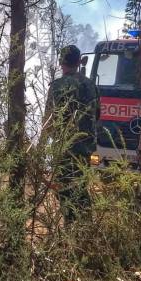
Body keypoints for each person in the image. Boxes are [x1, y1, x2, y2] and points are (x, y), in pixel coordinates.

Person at [44, 45, 100, 223]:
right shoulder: (90, 85)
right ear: (78, 62)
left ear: (61, 63)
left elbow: (48, 121)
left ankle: (74, 229)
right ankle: (84, 229)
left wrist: (42, 148)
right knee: (80, 186)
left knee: (65, 190)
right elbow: (97, 114)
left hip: (64, 148)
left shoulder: (57, 86)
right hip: (85, 147)